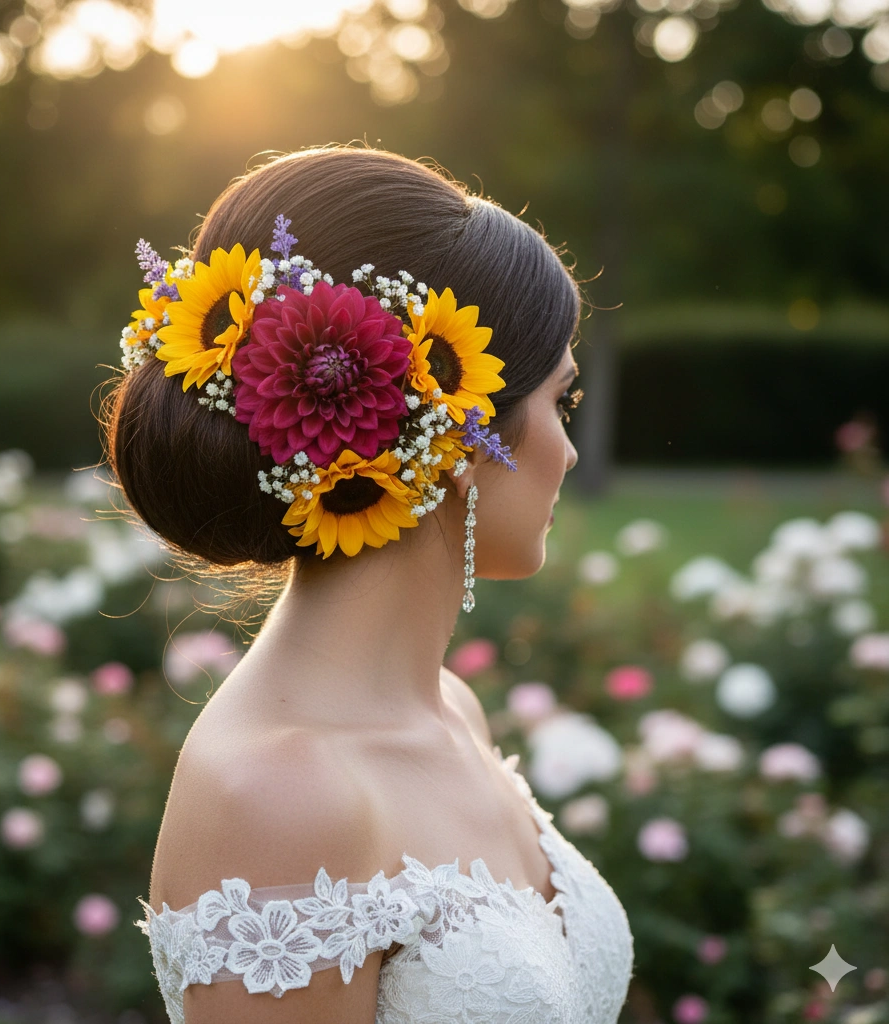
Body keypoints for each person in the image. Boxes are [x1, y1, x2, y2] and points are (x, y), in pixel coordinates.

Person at [102, 145, 634, 1023]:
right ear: (457, 426)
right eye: (559, 403)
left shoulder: (456, 710)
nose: (568, 451)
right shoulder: (275, 792)